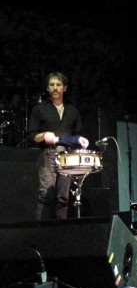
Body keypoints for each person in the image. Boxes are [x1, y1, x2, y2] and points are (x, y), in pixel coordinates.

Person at [27, 72, 89, 220]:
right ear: (48, 88)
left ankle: (60, 234)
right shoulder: (39, 109)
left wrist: (81, 139)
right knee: (46, 195)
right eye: (52, 85)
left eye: (58, 85)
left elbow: (76, 136)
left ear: (65, 88)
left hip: (67, 157)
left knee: (63, 198)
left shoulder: (73, 111)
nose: (55, 88)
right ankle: (41, 234)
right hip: (48, 154)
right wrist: (44, 135)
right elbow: (31, 136)